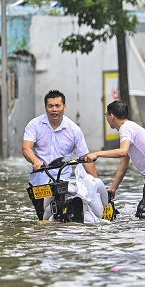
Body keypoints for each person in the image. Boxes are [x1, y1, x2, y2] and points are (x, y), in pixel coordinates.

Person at [85, 101, 145, 220]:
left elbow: (122, 151)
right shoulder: (129, 128)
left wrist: (97, 154)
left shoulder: (125, 128)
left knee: (144, 211)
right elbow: (124, 164)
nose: (107, 118)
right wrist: (113, 188)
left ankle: (142, 237)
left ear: (111, 116)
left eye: (107, 115)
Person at [22, 89, 99, 220]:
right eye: (50, 106)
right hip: (40, 181)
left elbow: (86, 159)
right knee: (43, 220)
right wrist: (36, 162)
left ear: (64, 107)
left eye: (57, 106)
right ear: (45, 107)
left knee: (65, 217)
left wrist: (96, 183)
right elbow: (26, 148)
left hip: (63, 181)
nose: (54, 109)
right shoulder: (34, 125)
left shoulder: (74, 130)